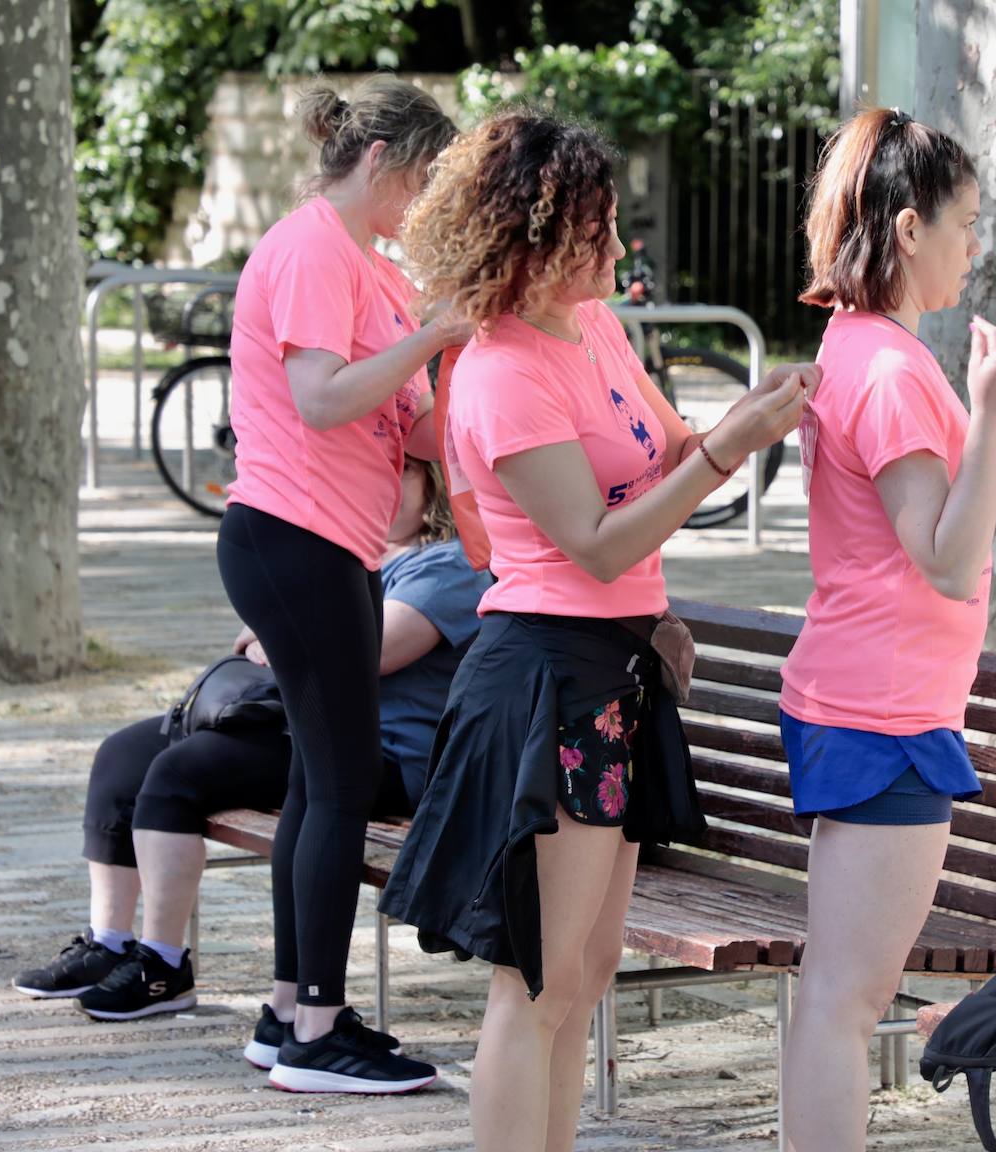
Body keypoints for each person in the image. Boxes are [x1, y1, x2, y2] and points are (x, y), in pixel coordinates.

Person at [377, 110, 821, 1152]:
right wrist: (729, 450)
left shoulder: (597, 329)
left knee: (581, 978)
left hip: (613, 674)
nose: (619, 252)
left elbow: (669, 455)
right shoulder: (500, 371)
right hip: (544, 681)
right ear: (529, 240)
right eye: (596, 232)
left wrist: (752, 420)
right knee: (533, 981)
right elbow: (596, 544)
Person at [776, 107, 996, 1151]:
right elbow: (940, 561)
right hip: (883, 709)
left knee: (834, 998)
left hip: (863, 694)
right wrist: (989, 410)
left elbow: (915, 523)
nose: (971, 245)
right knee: (846, 1004)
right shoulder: (895, 368)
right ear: (906, 229)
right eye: (965, 223)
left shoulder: (858, 345)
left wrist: (995, 480)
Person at [12, 460, 490, 1042]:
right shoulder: (355, 555)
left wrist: (284, 635)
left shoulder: (449, 562)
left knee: (178, 774)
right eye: (372, 475)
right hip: (298, 722)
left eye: (401, 477)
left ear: (434, 485)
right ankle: (110, 942)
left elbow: (365, 652)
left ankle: (164, 964)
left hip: (381, 755)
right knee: (123, 756)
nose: (379, 488)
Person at [215, 74, 468, 1094]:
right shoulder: (313, 247)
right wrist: (435, 338)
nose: (423, 212)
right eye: (422, 188)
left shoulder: (369, 267)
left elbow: (404, 425)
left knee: (318, 783)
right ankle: (318, 1028)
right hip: (291, 538)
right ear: (381, 164)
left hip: (335, 547)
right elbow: (321, 400)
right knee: (338, 780)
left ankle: (290, 1015)